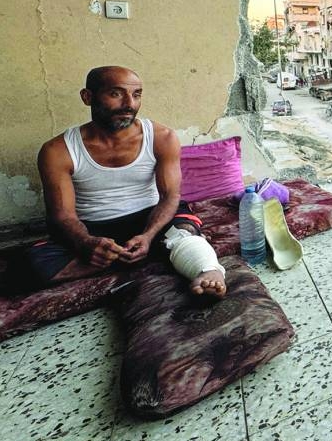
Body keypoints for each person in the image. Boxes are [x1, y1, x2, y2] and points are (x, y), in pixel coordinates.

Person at [28, 66, 226, 297]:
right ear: (87, 97)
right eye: (116, 93)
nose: (129, 104)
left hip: (151, 217)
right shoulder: (58, 150)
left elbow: (170, 196)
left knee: (182, 227)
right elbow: (62, 215)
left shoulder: (162, 137)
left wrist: (149, 235)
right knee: (35, 266)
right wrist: (85, 242)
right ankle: (162, 253)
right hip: (93, 226)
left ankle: (209, 270)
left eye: (136, 94)